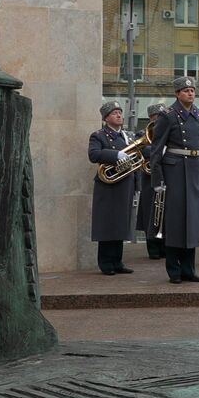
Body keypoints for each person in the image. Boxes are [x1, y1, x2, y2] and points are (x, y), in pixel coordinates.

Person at [148, 77, 199, 284]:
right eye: (185, 90)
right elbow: (157, 150)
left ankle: (189, 269)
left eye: (192, 90)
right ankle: (174, 270)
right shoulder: (168, 116)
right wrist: (158, 180)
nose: (190, 93)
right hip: (174, 172)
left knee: (192, 223)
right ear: (177, 94)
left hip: (194, 171)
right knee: (176, 223)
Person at [87, 101, 137, 275]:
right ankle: (106, 263)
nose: (119, 115)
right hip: (108, 185)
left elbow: (140, 154)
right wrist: (116, 155)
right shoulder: (99, 135)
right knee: (107, 224)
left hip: (126, 183)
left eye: (120, 112)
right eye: (115, 112)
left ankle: (117, 261)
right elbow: (93, 154)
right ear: (106, 117)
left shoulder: (128, 136)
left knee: (121, 224)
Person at [135, 103, 166, 260]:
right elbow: (142, 150)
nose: (159, 119)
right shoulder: (143, 133)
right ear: (151, 118)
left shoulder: (168, 132)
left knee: (165, 214)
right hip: (150, 180)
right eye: (157, 117)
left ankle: (165, 246)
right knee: (150, 213)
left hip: (166, 178)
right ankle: (153, 248)